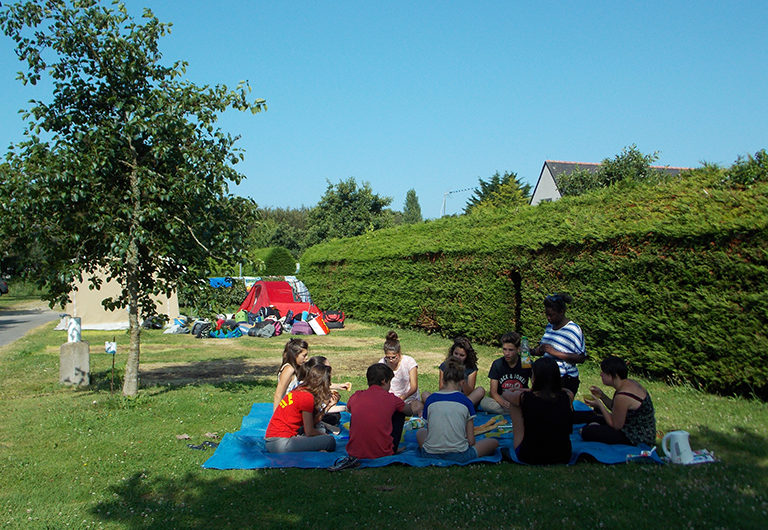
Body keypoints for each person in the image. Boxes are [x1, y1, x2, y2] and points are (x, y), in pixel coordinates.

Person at [339, 363, 422, 468]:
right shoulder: (391, 399)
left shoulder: (356, 396)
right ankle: (392, 447)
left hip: (354, 452)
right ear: (384, 381)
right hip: (382, 452)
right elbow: (408, 411)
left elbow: (349, 408)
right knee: (399, 413)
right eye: (390, 382)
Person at [416, 359, 499, 462]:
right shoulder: (466, 401)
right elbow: (471, 441)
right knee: (493, 442)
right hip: (460, 455)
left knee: (420, 432)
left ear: (443, 381)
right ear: (462, 382)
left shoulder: (430, 400)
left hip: (430, 454)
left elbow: (429, 432)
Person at [503, 357, 574, 465]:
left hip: (529, 455)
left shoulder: (524, 398)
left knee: (514, 405)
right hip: (563, 455)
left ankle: (519, 443)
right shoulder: (567, 396)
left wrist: (528, 390)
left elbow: (506, 393)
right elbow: (567, 391)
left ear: (535, 377)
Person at [580, 356, 657, 446]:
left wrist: (599, 405)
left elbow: (616, 425)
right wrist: (602, 395)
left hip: (636, 436)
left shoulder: (623, 395)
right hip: (634, 427)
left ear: (614, 375)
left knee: (587, 432)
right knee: (595, 419)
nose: (601, 375)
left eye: (604, 372)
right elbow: (615, 408)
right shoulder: (628, 384)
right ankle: (595, 425)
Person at [264, 364, 337, 453]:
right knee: (330, 441)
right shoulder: (307, 397)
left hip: (274, 439)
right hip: (280, 443)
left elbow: (309, 423)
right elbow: (309, 431)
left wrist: (328, 406)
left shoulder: (300, 389)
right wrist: (324, 435)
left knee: (318, 434)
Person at [532, 293, 586, 394]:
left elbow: (581, 358)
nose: (548, 318)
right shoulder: (549, 326)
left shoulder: (573, 330)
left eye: (551, 315)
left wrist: (554, 352)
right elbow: (544, 350)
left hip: (565, 379)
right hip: (546, 377)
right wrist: (531, 351)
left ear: (562, 312)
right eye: (546, 314)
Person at [422, 337, 485, 407]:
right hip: (446, 398)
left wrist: (462, 379)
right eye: (456, 353)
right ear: (452, 353)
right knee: (425, 394)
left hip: (463, 400)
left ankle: (462, 407)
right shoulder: (444, 366)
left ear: (467, 356)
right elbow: (441, 389)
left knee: (480, 390)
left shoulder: (471, 368)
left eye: (462, 355)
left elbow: (469, 392)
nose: (458, 357)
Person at [479, 332, 532, 414]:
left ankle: (515, 411)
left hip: (520, 398)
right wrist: (504, 403)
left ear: (518, 349)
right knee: (484, 403)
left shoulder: (526, 363)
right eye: (504, 349)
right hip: (502, 399)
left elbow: (535, 389)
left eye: (511, 350)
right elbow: (493, 392)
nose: (507, 353)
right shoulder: (497, 364)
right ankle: (517, 412)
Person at [379, 331, 420, 405]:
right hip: (389, 399)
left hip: (408, 399)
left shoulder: (409, 361)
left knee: (417, 407)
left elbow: (414, 387)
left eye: (393, 357)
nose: (391, 360)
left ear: (399, 353)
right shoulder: (382, 363)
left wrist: (403, 397)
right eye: (388, 357)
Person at [272, 338, 309, 411]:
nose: (306, 358)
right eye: (304, 355)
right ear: (295, 355)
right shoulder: (289, 370)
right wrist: (275, 417)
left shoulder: (298, 368)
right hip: (288, 409)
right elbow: (278, 394)